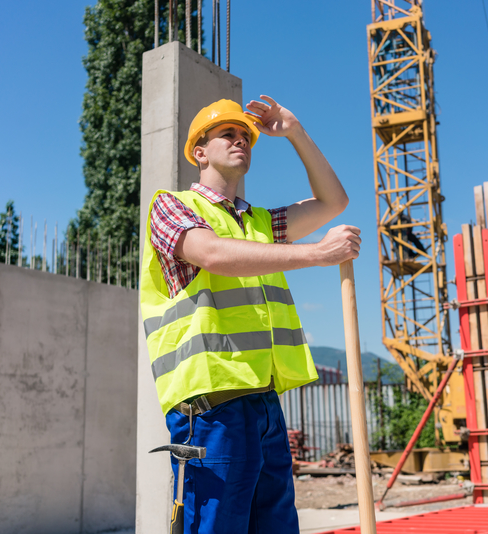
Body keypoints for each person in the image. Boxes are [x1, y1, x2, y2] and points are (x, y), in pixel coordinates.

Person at [139, 95, 361, 534]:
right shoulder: (171, 206)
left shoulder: (259, 223)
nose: (241, 140)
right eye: (228, 134)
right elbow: (212, 253)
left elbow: (333, 201)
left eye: (246, 136)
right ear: (199, 152)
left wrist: (295, 131)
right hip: (210, 409)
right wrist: (317, 254)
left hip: (264, 404)